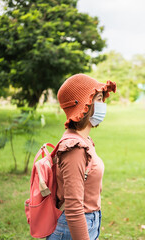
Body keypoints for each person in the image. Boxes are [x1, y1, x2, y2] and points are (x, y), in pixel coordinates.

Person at [47, 74, 116, 240]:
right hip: (74, 229)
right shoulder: (75, 149)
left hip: (88, 222)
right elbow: (74, 208)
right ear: (84, 104)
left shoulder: (84, 140)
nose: (103, 104)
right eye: (98, 99)